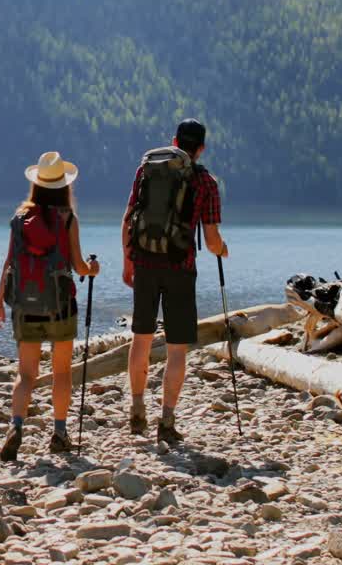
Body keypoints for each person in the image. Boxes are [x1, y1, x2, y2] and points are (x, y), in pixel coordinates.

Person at [121, 119, 227, 443]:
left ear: (174, 140)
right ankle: (166, 422)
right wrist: (223, 249)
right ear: (201, 148)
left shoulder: (147, 169)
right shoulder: (206, 181)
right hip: (181, 267)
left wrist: (128, 261)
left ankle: (137, 410)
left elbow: (128, 218)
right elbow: (210, 240)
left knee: (141, 338)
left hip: (145, 263)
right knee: (176, 348)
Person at [0, 152, 99, 461]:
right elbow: (78, 265)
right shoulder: (67, 219)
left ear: (36, 184)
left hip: (25, 305)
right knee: (62, 372)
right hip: (61, 306)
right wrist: (92, 269)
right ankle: (60, 432)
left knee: (26, 375)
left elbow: (10, 262)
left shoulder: (20, 217)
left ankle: (16, 426)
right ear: (64, 186)